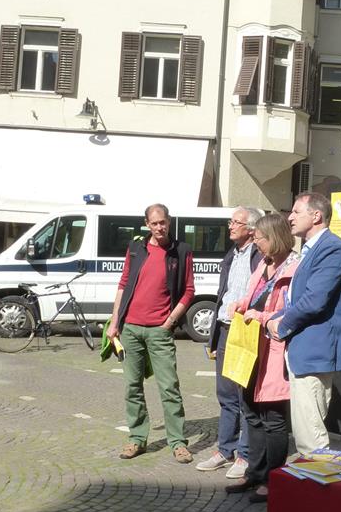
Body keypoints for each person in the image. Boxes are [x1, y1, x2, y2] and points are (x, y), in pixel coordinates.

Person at [267, 192, 341, 455]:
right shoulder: (311, 249)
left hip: (316, 348)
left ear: (316, 216)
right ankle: (312, 476)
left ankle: (318, 479)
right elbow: (297, 298)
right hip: (305, 348)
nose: (290, 217)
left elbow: (314, 300)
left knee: (311, 435)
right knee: (306, 430)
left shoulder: (332, 248)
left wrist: (281, 326)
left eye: (296, 212)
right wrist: (273, 318)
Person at [107, 203, 194, 462]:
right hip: (130, 329)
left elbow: (189, 291)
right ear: (147, 224)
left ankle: (177, 442)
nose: (159, 227)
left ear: (169, 221)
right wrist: (115, 322)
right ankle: (137, 439)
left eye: (163, 222)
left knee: (169, 388)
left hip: (160, 331)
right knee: (132, 387)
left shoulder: (181, 250)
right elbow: (123, 284)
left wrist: (170, 321)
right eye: (154, 223)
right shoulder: (136, 249)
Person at [225, 213, 298, 503]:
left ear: (274, 238)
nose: (256, 244)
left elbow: (292, 311)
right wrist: (241, 304)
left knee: (273, 418)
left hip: (275, 352)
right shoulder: (263, 264)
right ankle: (255, 472)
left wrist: (262, 316)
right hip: (252, 347)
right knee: (251, 412)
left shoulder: (294, 268)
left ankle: (273, 478)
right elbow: (253, 295)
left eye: (260, 239)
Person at [196, 206, 263, 478]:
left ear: (251, 229)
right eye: (230, 221)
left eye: (236, 222)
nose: (230, 226)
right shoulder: (232, 254)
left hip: (244, 329)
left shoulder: (259, 256)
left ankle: (245, 455)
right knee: (225, 395)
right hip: (224, 328)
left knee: (243, 395)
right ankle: (225, 450)